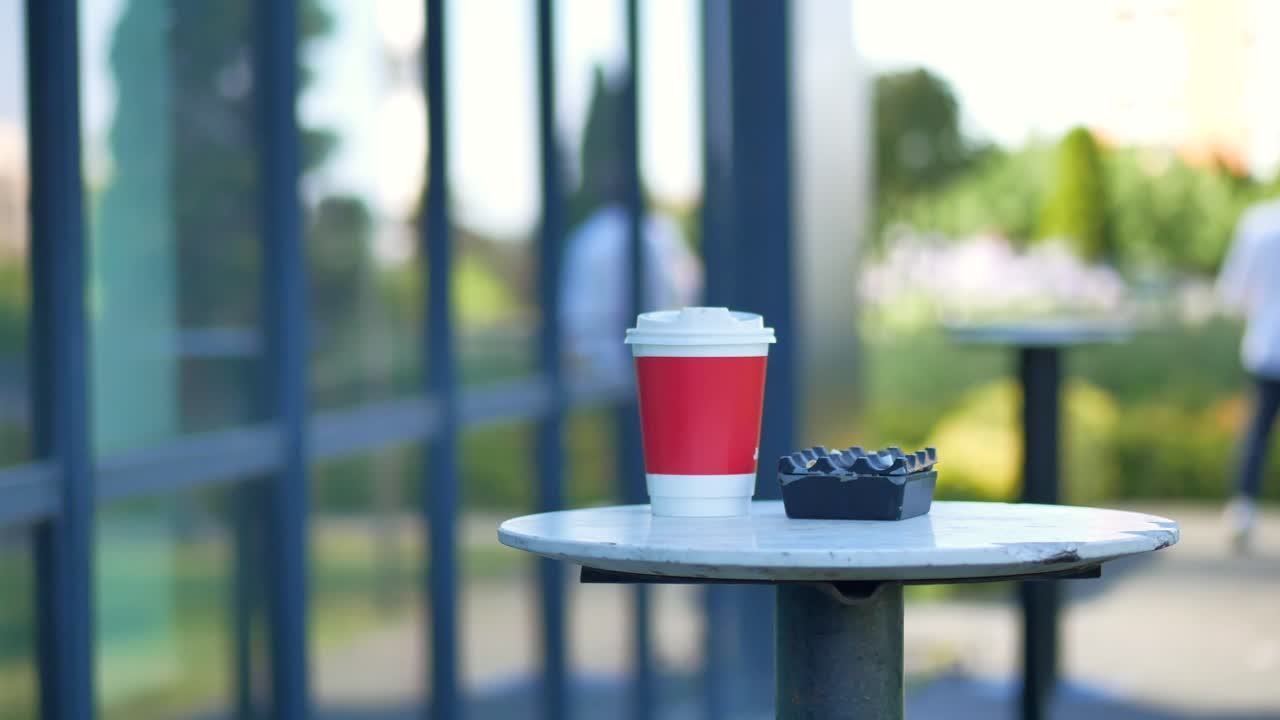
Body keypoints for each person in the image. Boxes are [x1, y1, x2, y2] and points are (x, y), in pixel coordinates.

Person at [1217, 197, 1280, 551]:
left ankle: (1243, 510)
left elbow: (1234, 291)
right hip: (1268, 345)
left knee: (1257, 434)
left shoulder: (1259, 223)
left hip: (1268, 345)